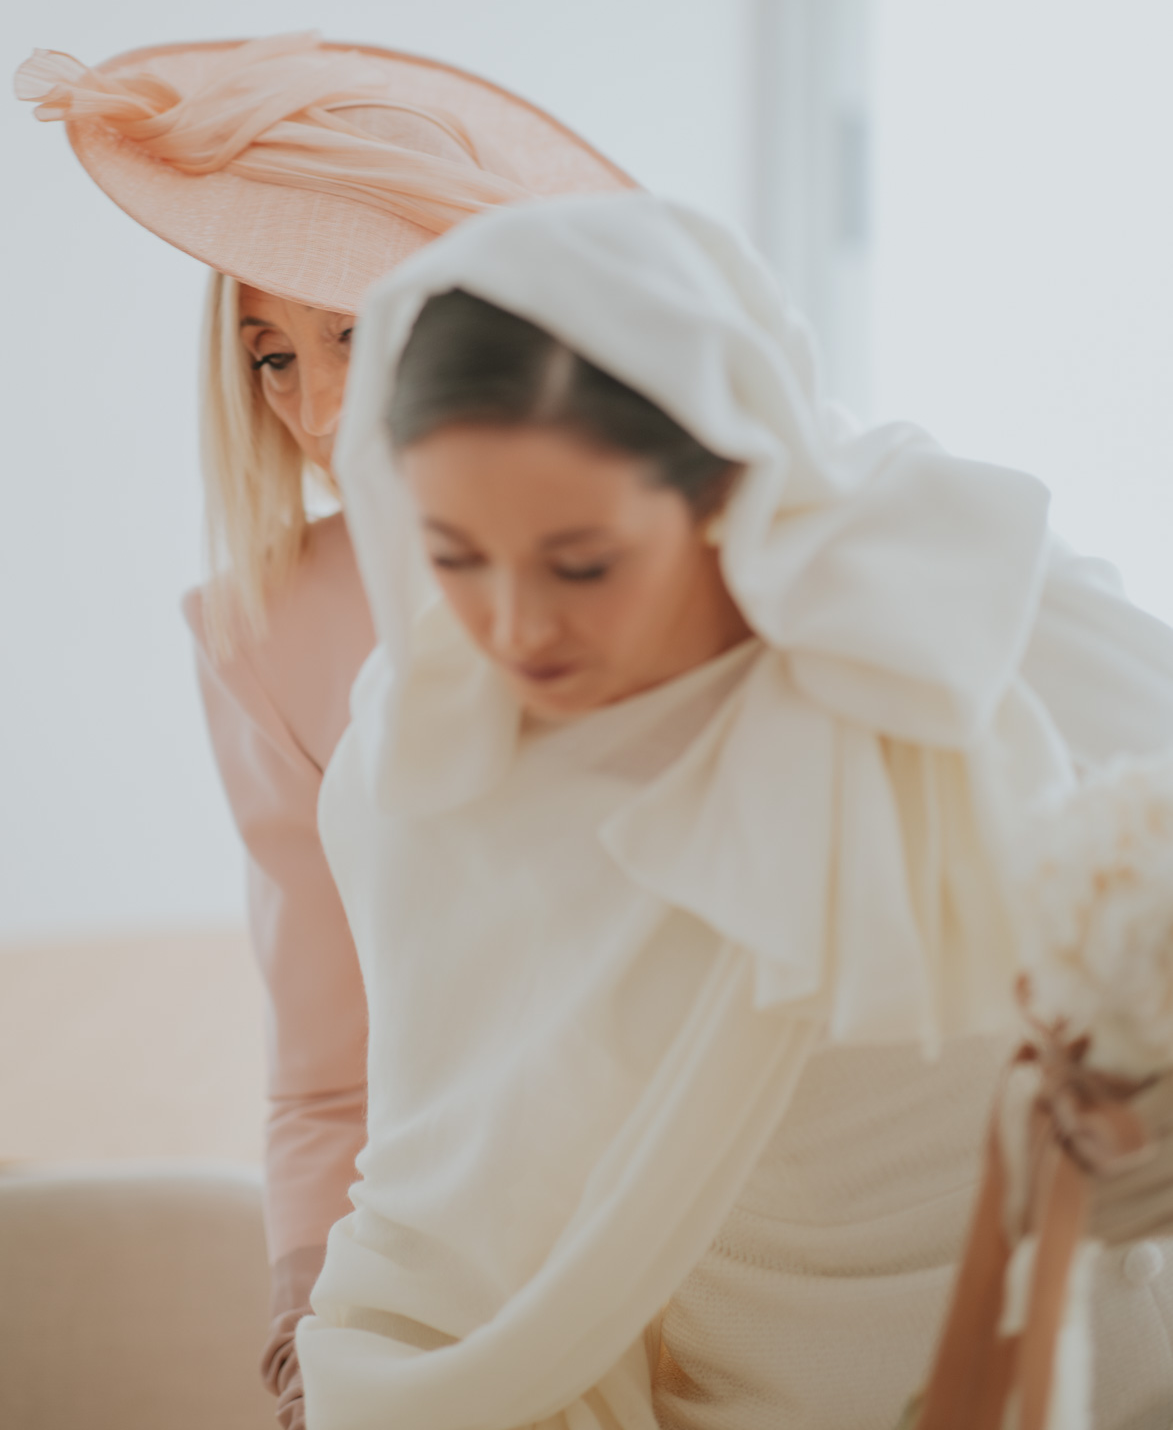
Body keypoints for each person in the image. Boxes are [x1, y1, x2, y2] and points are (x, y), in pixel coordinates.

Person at [297, 191, 1173, 1430]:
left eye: (581, 562)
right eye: (453, 554)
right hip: (738, 1393)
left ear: (724, 481)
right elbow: (445, 1188)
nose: (514, 625)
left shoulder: (942, 601)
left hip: (1082, 1367)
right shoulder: (437, 755)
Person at [13, 34, 633, 1430]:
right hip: (473, 1244)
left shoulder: (668, 548)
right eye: (269, 353)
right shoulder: (262, 631)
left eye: (350, 330)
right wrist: (306, 1307)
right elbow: (325, 1064)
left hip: (740, 1179)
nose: (311, 403)